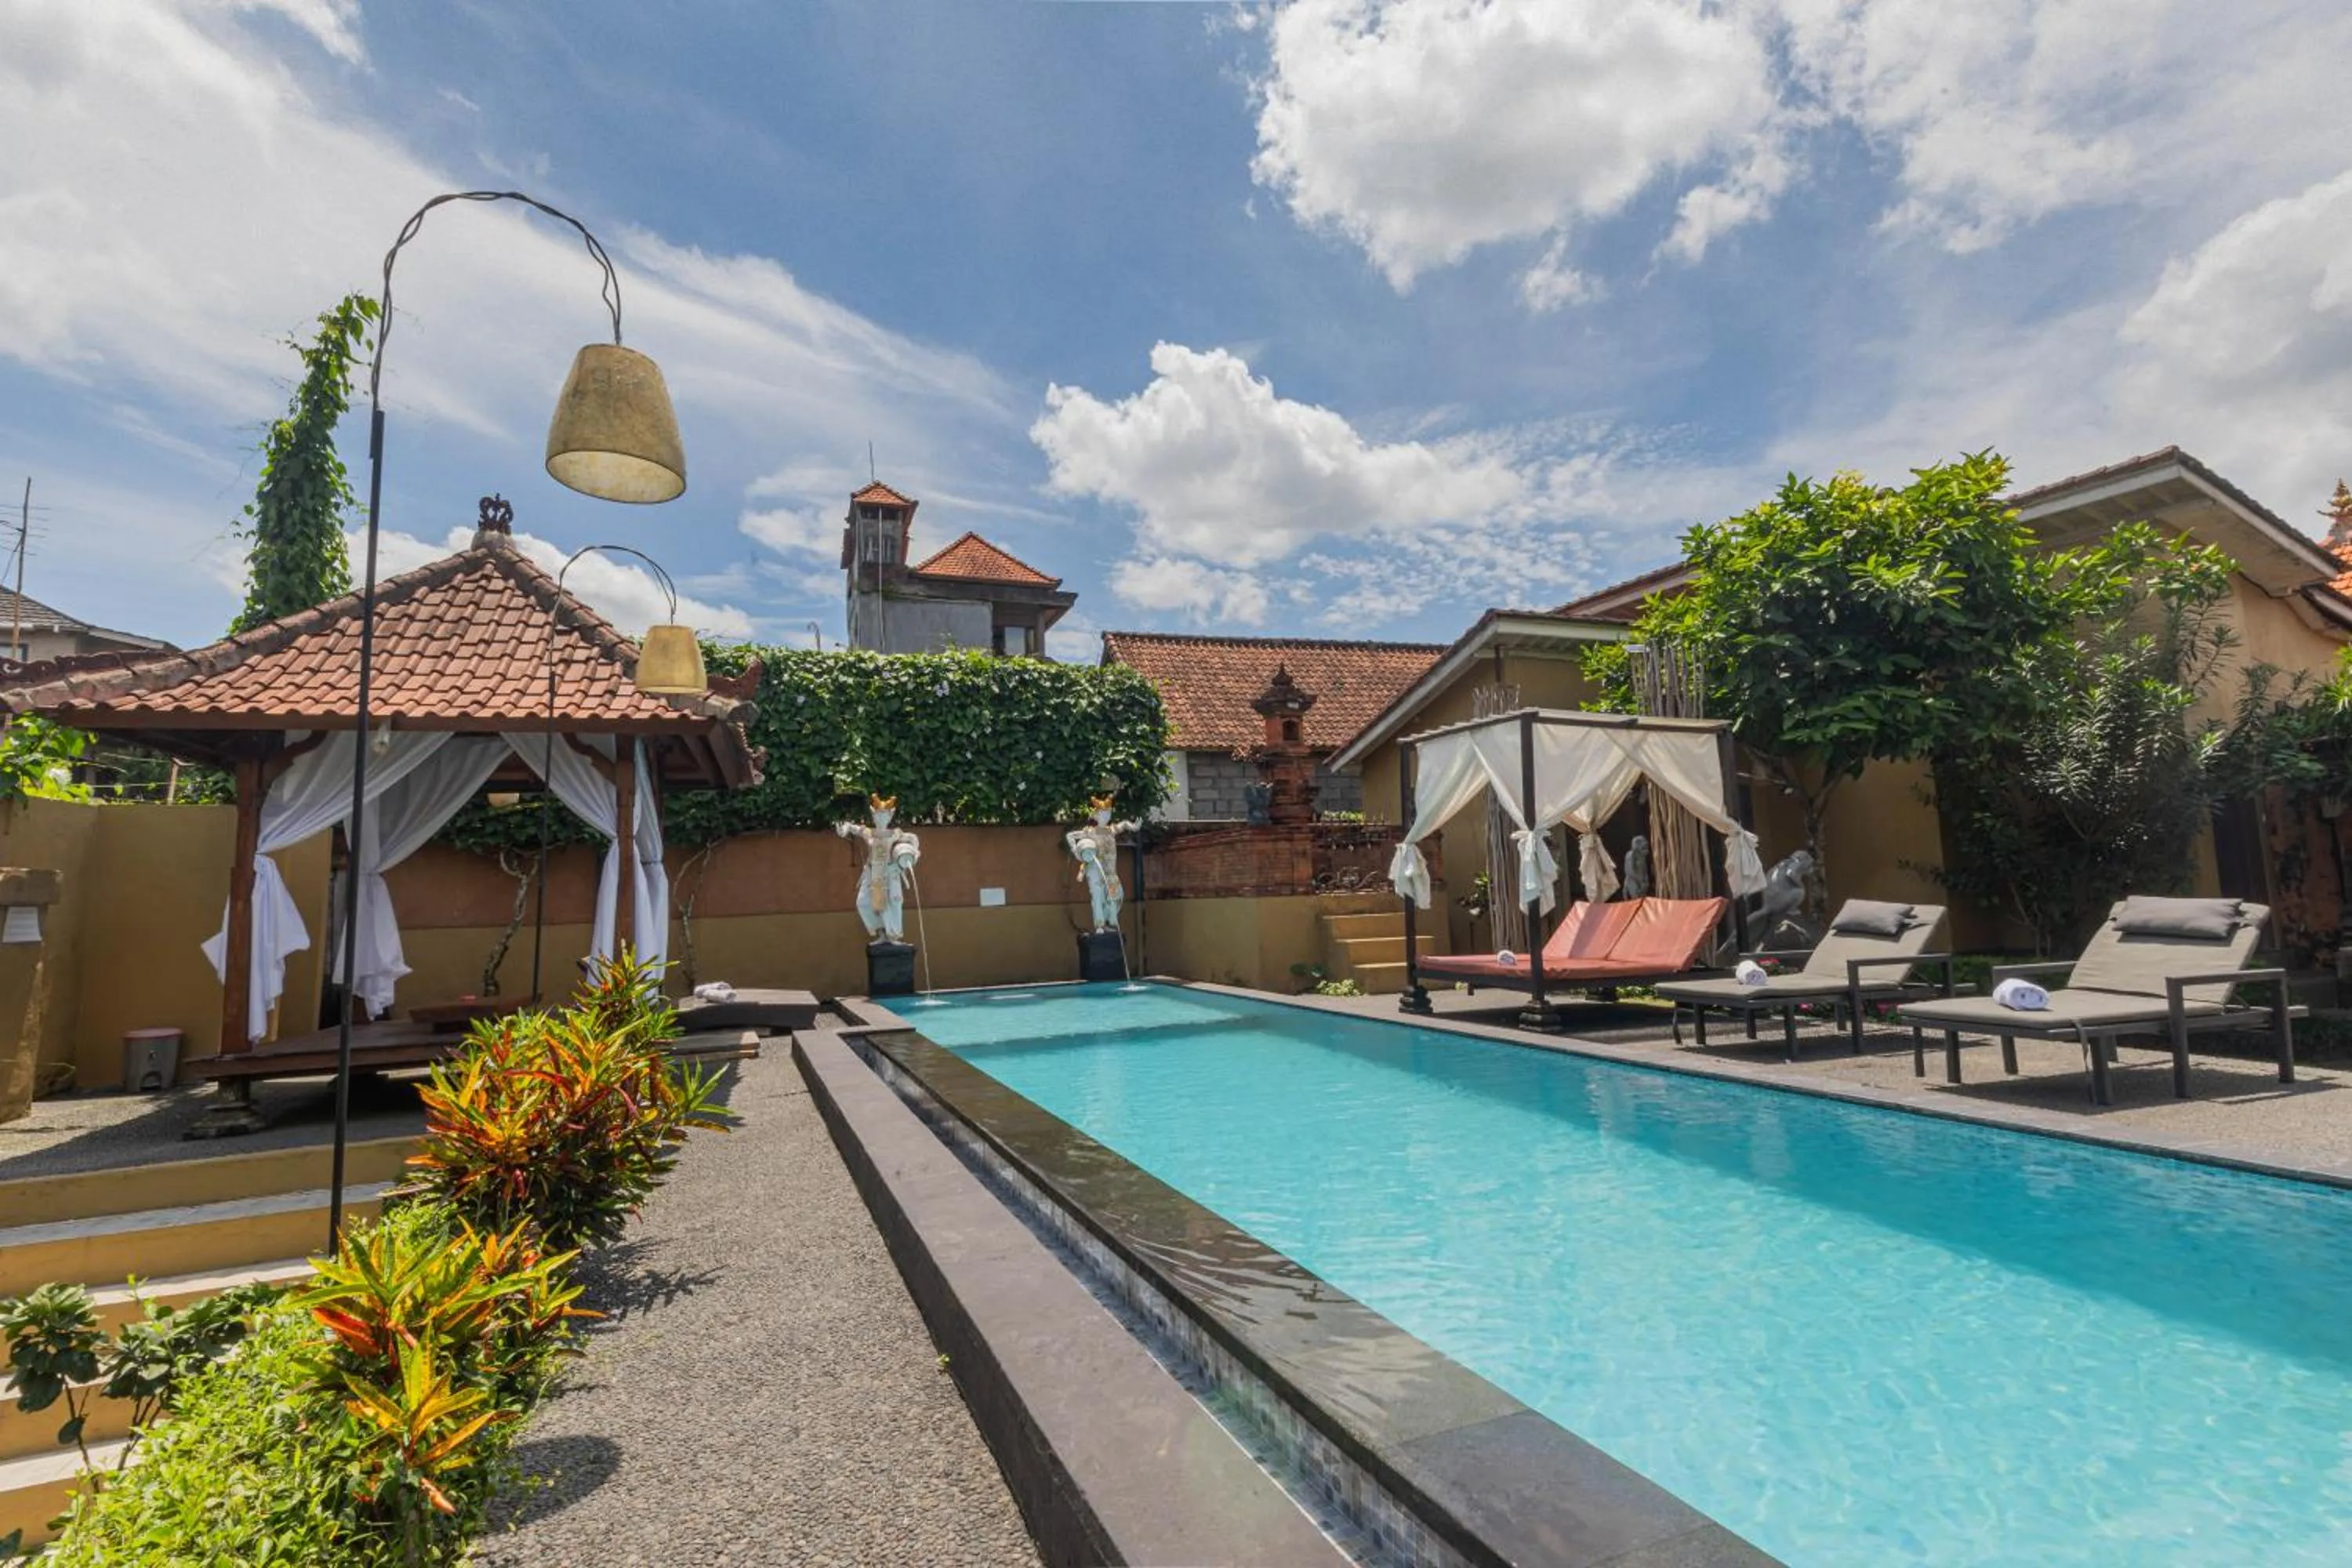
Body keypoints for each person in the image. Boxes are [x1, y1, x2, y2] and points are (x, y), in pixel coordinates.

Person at [836, 793, 921, 943]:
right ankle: (881, 934)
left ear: (890, 817)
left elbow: (913, 838)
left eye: (885, 816)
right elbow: (852, 827)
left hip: (889, 872)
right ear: (874, 817)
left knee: (892, 903)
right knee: (863, 903)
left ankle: (893, 936)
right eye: (878, 816)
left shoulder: (894, 834)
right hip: (872, 872)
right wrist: (844, 829)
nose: (881, 819)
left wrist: (914, 854)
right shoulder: (868, 832)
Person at [1064, 795, 1138, 933]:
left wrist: (1133, 827)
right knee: (1098, 897)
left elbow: (1124, 825)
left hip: (1110, 871)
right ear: (1097, 816)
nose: (1106, 817)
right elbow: (1070, 836)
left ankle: (1110, 922)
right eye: (1103, 814)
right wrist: (1077, 852)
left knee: (1116, 896)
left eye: (1108, 814)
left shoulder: (1110, 830)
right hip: (1095, 870)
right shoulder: (1090, 832)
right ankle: (1099, 925)